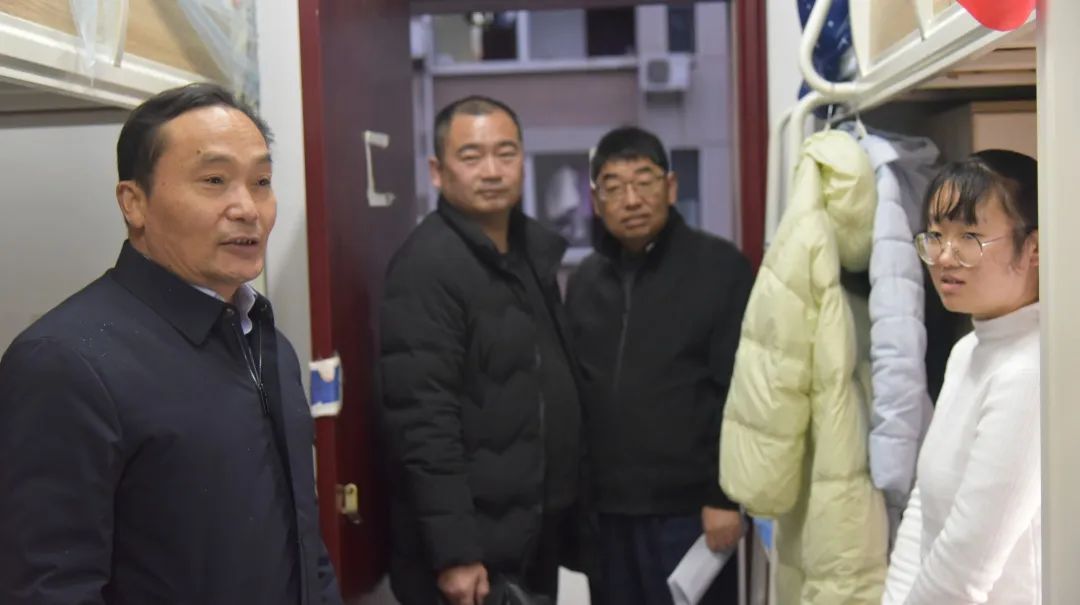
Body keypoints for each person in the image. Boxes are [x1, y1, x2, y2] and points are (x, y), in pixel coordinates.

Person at [0, 83, 342, 605]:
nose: (247, 208)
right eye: (214, 180)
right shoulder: (64, 362)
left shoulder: (266, 340)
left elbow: (303, 541)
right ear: (134, 202)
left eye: (261, 182)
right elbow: (48, 587)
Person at [378, 96, 583, 605]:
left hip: (529, 531)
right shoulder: (427, 266)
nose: (492, 171)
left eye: (505, 153)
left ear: (523, 162)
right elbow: (423, 422)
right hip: (474, 552)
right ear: (438, 171)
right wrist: (456, 553)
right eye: (471, 156)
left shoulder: (529, 254)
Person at [564, 126, 752, 604]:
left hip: (691, 512)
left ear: (670, 187)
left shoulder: (720, 268)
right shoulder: (584, 282)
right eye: (614, 186)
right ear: (596, 200)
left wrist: (724, 497)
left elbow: (742, 392)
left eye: (644, 181)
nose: (631, 200)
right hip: (608, 515)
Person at [882, 150, 1040, 604]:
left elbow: (966, 564)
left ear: (1033, 248)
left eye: (969, 237)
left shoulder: (1032, 370)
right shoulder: (968, 350)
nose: (944, 257)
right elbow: (924, 512)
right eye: (936, 235)